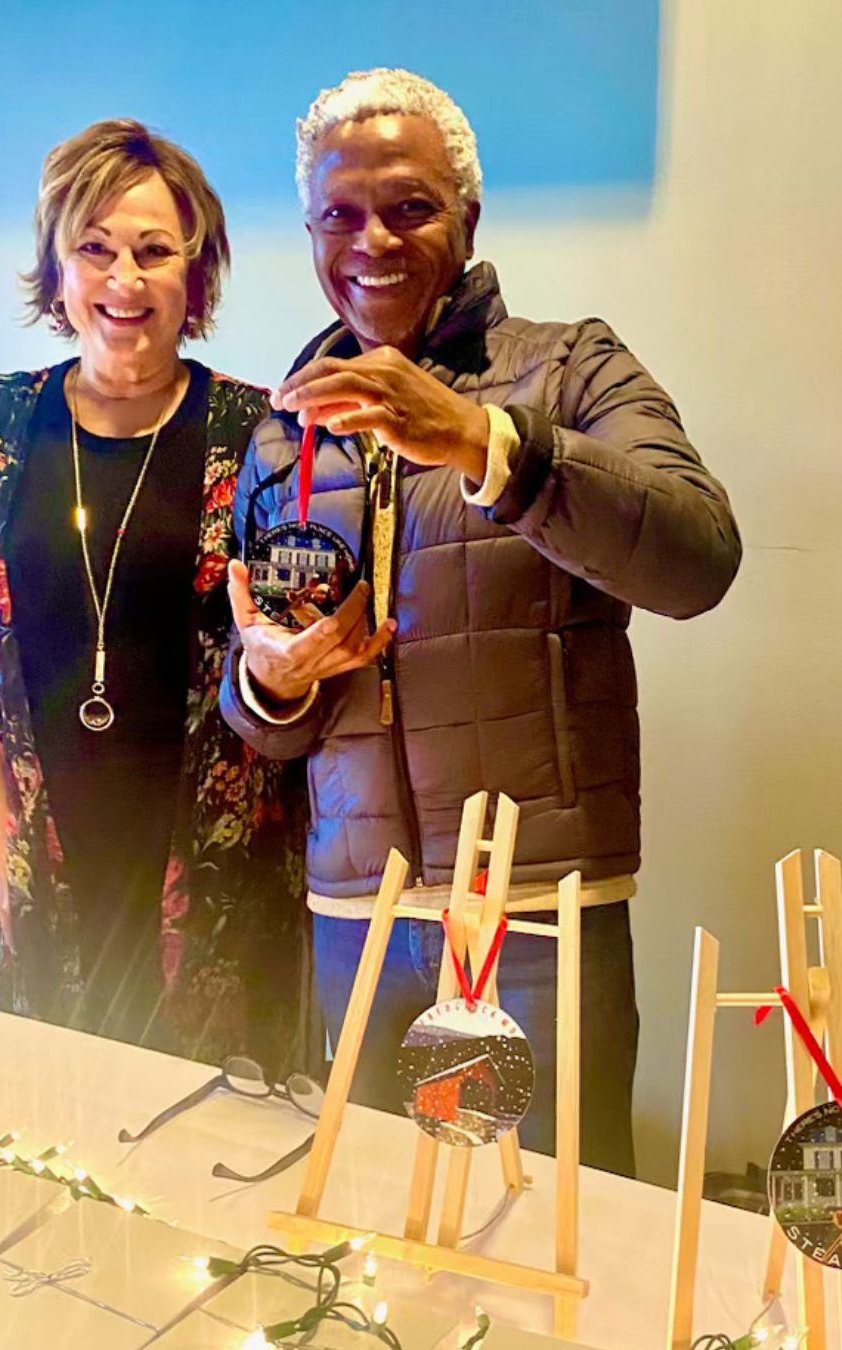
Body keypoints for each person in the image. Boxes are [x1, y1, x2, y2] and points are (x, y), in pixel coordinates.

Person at [220, 69, 742, 1175]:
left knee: (551, 1251)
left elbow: (700, 558)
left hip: (540, 918)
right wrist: (271, 678)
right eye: (341, 215)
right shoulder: (288, 428)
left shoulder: (571, 367)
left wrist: (484, 442)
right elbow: (271, 723)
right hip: (356, 915)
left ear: (467, 214)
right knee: (369, 1248)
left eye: (409, 206)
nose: (373, 239)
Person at [0, 119, 307, 1074]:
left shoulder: (264, 435)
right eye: (95, 249)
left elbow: (296, 632)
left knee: (210, 1155)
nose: (124, 281)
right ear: (56, 269)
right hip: (43, 849)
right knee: (45, 1135)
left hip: (217, 867)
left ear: (195, 274)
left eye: (154, 252)